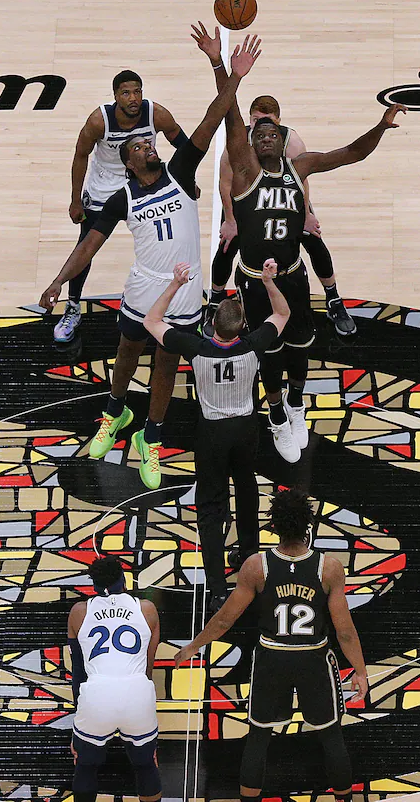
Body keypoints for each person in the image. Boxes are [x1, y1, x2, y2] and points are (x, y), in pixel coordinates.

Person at [38, 29, 263, 489]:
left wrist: (230, 75)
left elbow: (211, 118)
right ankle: (114, 412)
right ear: (128, 163)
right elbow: (89, 245)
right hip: (145, 285)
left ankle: (152, 437)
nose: (149, 146)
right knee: (126, 351)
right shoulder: (120, 197)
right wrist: (59, 281)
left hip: (182, 290)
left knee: (166, 363)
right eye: (140, 148)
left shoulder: (180, 171)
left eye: (150, 144)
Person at [195, 24, 406, 461]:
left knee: (300, 347)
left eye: (275, 132)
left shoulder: (300, 165)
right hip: (254, 282)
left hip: (292, 276)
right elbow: (230, 112)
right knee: (269, 354)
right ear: (249, 145)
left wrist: (381, 126)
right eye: (260, 134)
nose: (267, 135)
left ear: (283, 139)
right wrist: (221, 64)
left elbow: (352, 153)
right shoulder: (245, 170)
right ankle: (275, 416)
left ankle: (294, 404)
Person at [172, 490, 368, 802]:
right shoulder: (328, 568)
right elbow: (344, 631)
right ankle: (345, 798)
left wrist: (193, 646)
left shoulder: (256, 566)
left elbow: (225, 620)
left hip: (271, 659)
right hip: (313, 658)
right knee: (331, 736)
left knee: (259, 738)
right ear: (308, 524)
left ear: (273, 525)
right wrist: (360, 671)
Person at [143, 259, 292, 610]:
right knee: (246, 492)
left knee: (211, 507)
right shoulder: (253, 344)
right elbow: (283, 314)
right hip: (245, 429)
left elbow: (151, 321)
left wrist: (176, 284)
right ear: (241, 327)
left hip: (211, 433)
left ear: (211, 325)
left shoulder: (196, 347)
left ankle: (216, 586)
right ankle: (252, 562)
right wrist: (269, 281)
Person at [54, 72, 193, 344]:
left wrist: (188, 180)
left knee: (168, 239)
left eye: (137, 91)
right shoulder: (99, 121)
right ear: (115, 96)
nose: (133, 98)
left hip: (145, 178)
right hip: (105, 184)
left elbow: (185, 146)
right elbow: (81, 156)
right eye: (126, 93)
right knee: (87, 244)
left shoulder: (156, 114)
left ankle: (176, 306)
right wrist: (74, 199)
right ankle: (72, 305)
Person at [210, 95, 356, 337]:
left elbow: (303, 180)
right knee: (227, 245)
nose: (262, 127)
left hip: (287, 198)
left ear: (278, 121)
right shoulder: (238, 144)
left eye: (267, 121)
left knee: (314, 240)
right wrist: (230, 219)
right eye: (256, 120)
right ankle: (215, 302)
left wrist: (307, 214)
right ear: (250, 120)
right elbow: (225, 183)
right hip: (247, 202)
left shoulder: (292, 141)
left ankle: (333, 298)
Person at [68, 556, 162, 802]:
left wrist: (79, 721)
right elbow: (148, 666)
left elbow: (78, 671)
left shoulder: (79, 612)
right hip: (137, 691)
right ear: (124, 580)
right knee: (146, 765)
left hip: (97, 695)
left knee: (85, 766)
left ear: (94, 585)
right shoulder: (147, 609)